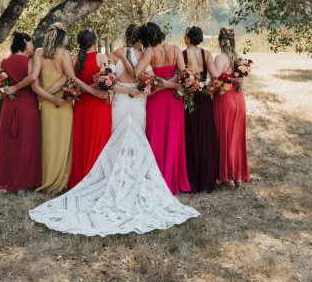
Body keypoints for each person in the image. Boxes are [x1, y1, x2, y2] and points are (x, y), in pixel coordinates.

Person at [29, 24, 199, 235]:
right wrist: (137, 91)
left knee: (117, 142)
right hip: (137, 101)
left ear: (126, 37)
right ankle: (134, 179)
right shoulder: (142, 54)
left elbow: (108, 81)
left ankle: (117, 178)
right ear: (139, 40)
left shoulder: (115, 54)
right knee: (136, 141)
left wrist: (122, 89)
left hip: (120, 100)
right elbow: (147, 81)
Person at [32, 23, 106, 193]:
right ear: (62, 38)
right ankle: (60, 179)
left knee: (48, 139)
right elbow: (69, 78)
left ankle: (47, 178)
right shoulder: (64, 54)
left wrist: (43, 95)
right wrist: (91, 91)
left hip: (46, 101)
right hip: (62, 101)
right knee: (64, 141)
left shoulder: (38, 53)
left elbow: (34, 79)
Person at [119, 22, 191, 194]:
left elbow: (137, 73)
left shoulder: (150, 52)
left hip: (157, 99)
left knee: (157, 136)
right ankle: (173, 178)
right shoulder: (175, 49)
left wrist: (123, 57)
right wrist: (174, 83)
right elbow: (183, 74)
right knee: (173, 136)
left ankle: (157, 178)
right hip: (174, 100)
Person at [0, 32, 42, 195]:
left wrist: (1, 93)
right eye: (31, 43)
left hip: (9, 105)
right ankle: (24, 184)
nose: (32, 46)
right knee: (27, 143)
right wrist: (17, 88)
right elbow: (32, 78)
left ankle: (10, 182)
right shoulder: (30, 61)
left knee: (9, 143)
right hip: (27, 105)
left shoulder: (4, 62)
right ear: (25, 42)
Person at [66, 28, 112, 189]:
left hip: (81, 104)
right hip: (98, 103)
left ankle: (82, 178)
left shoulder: (73, 60)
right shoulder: (102, 57)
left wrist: (83, 89)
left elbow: (70, 83)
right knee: (99, 140)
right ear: (95, 42)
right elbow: (106, 79)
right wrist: (92, 88)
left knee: (83, 140)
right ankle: (98, 180)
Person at [213, 27, 250, 189]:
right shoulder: (239, 59)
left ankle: (226, 177)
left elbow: (216, 82)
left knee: (224, 137)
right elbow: (241, 81)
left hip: (225, 100)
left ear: (220, 41)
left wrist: (207, 89)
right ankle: (238, 176)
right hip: (239, 100)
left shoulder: (220, 58)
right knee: (236, 138)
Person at [183, 26, 219, 193]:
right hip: (204, 99)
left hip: (189, 99)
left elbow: (180, 77)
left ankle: (191, 179)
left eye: (185, 35)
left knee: (190, 137)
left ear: (189, 38)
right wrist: (208, 88)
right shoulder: (206, 54)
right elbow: (215, 78)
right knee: (205, 137)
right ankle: (206, 178)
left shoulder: (183, 55)